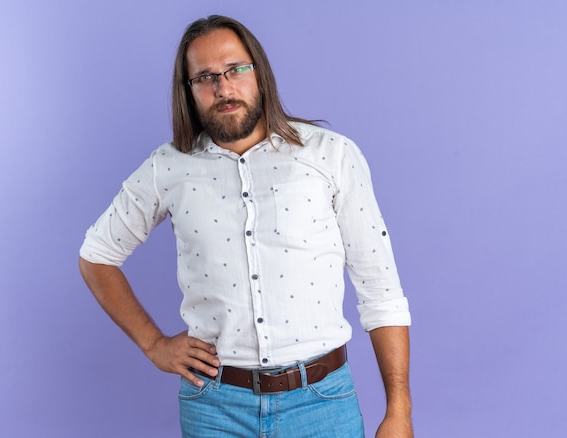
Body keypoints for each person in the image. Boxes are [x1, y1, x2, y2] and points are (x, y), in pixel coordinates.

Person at [79, 15, 413, 438]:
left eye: (235, 69)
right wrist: (154, 344)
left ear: (259, 71)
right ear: (189, 92)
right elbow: (96, 256)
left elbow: (381, 291)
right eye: (205, 77)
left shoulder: (332, 156)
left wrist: (399, 411)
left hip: (322, 405)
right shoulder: (168, 167)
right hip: (214, 408)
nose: (223, 87)